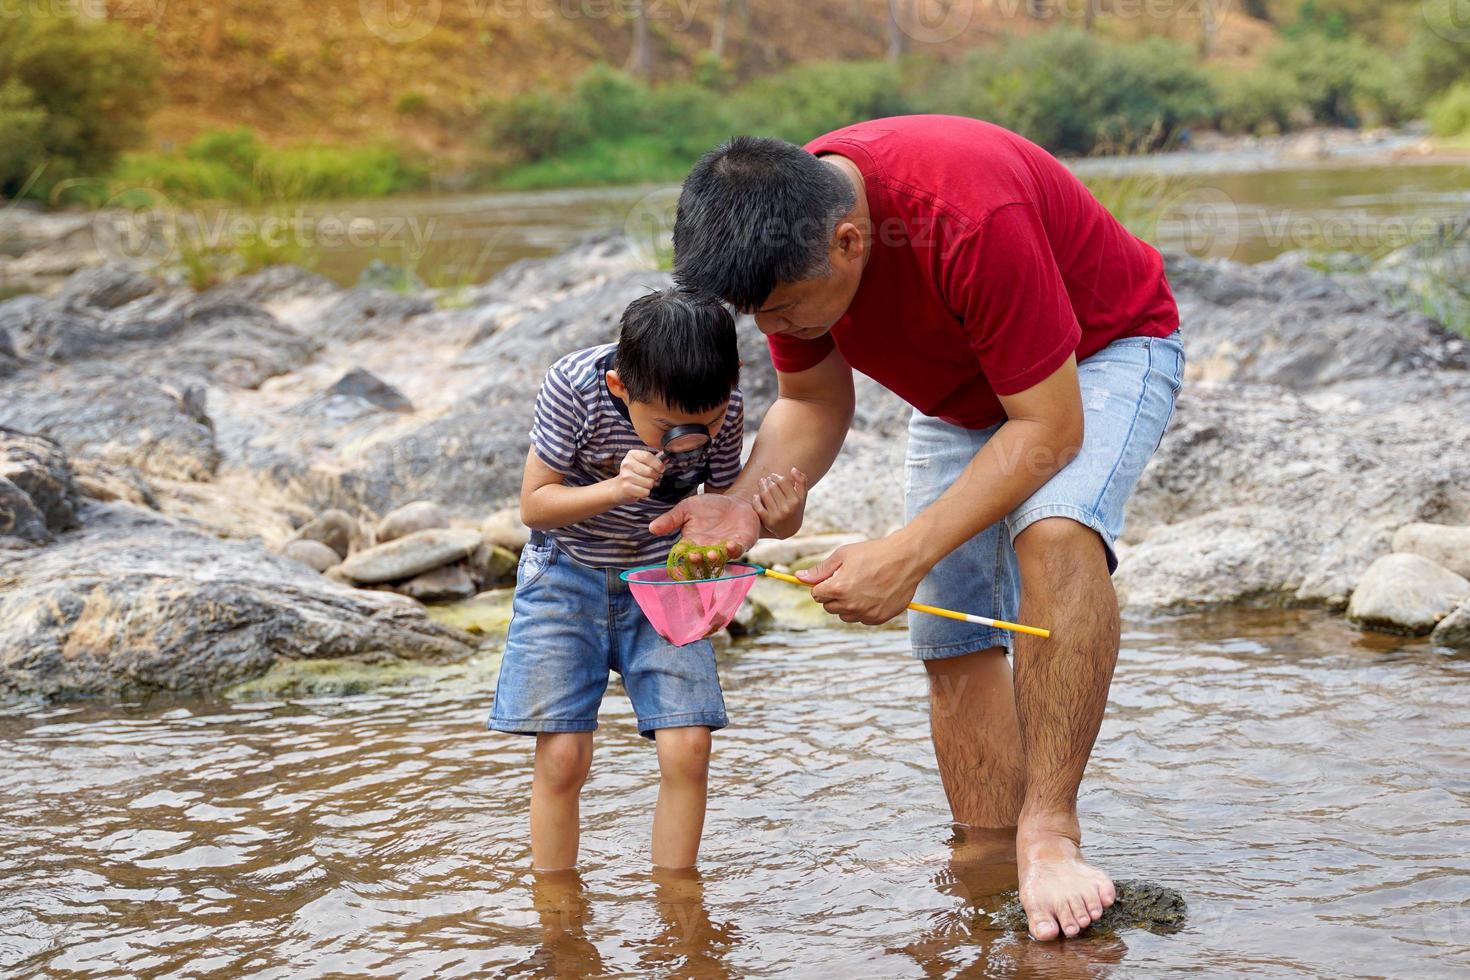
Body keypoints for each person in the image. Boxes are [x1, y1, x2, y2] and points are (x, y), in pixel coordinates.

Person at [655, 116, 1185, 940]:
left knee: (1053, 532)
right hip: (964, 394)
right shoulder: (781, 228)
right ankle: (989, 856)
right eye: (764, 316)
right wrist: (741, 502)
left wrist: (902, 554)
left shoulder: (968, 218)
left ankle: (1050, 833)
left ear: (849, 241)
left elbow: (1047, 432)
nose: (781, 330)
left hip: (1099, 355)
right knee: (952, 624)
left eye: (788, 312)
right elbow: (810, 401)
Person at [490, 287, 807, 871]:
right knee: (562, 755)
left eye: (704, 425)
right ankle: (559, 914)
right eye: (666, 427)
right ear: (620, 389)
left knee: (689, 747)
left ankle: (680, 908)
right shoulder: (575, 387)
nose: (687, 440)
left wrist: (777, 522)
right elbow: (534, 506)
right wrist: (614, 488)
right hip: (567, 573)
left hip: (663, 581)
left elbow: (719, 511)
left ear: (734, 378)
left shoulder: (723, 401)